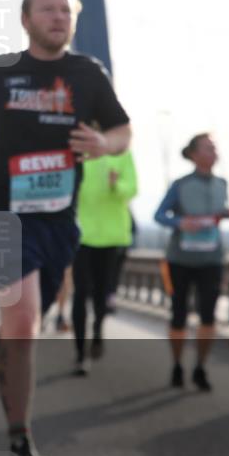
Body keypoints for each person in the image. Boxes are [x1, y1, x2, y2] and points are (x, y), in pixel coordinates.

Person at [0, 0, 131, 456]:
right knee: (24, 323)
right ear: (25, 19)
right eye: (47, 9)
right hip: (2, 212)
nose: (58, 16)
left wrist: (103, 141)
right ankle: (21, 444)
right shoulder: (0, 71)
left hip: (57, 221)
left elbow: (121, 131)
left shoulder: (88, 74)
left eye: (66, 10)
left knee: (18, 328)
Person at [153, 133, 229, 392]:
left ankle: (200, 367)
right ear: (194, 154)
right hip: (180, 259)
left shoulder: (223, 183)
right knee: (178, 314)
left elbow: (215, 215)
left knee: (208, 315)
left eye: (215, 148)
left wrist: (225, 214)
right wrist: (180, 223)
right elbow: (159, 215)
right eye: (208, 148)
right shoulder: (180, 185)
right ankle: (177, 365)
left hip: (212, 258)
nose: (214, 153)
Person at [71, 148, 137, 374]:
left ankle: (97, 329)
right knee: (80, 293)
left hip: (111, 237)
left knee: (102, 293)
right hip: (82, 235)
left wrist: (116, 185)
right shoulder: (78, 152)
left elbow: (132, 188)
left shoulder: (121, 153)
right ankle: (81, 353)